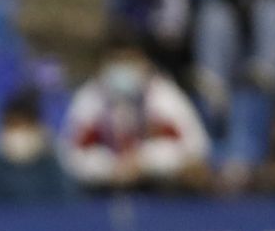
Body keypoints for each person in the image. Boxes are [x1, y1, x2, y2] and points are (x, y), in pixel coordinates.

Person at [61, 32, 211, 194]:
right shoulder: (91, 97)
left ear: (145, 63)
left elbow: (197, 148)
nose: (123, 68)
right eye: (116, 61)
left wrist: (145, 161)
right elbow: (69, 155)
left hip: (157, 191)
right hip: (101, 193)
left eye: (129, 60)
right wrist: (110, 168)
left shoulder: (163, 95)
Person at [0, 90, 77, 204]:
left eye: (24, 126)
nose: (18, 133)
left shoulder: (52, 169)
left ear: (36, 127)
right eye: (13, 126)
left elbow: (68, 207)